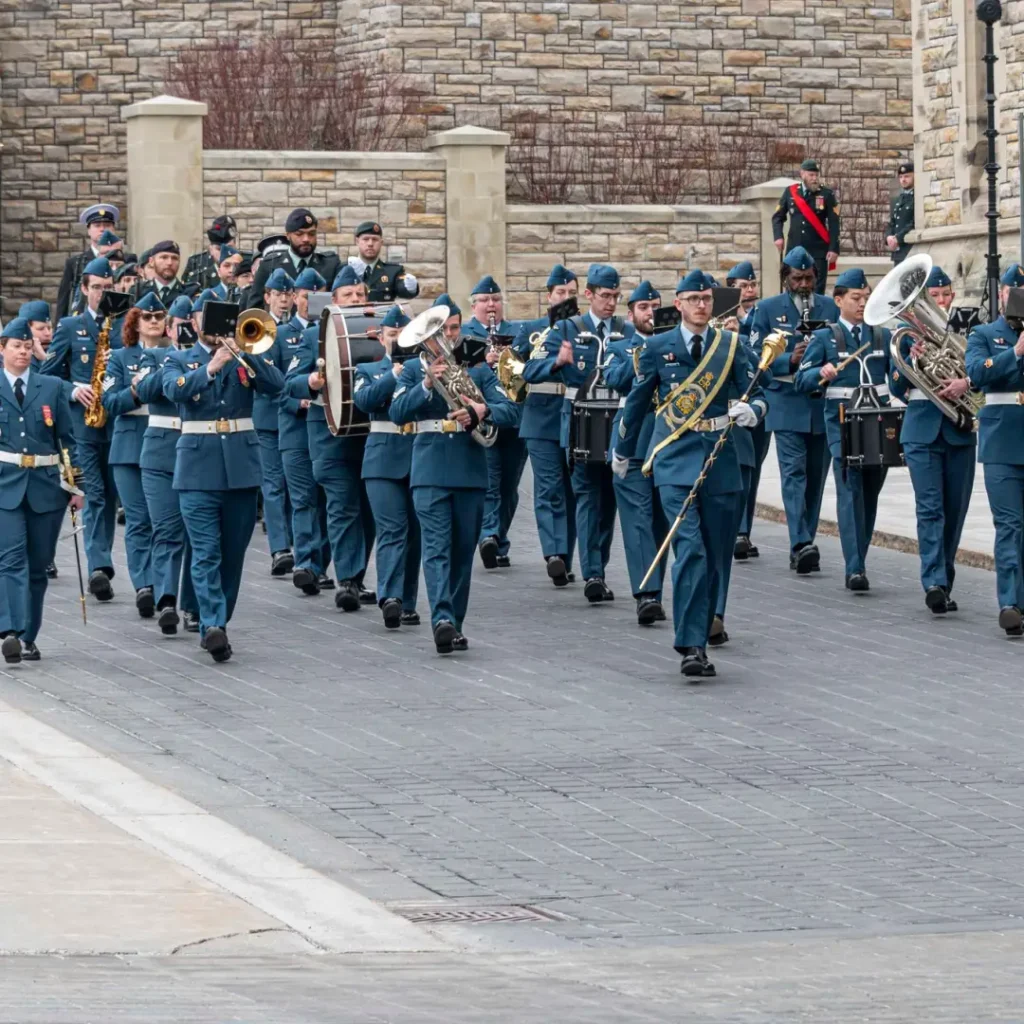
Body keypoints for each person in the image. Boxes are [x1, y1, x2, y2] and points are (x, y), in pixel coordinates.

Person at [612, 270, 767, 679]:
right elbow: (638, 402)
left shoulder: (730, 346)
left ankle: (706, 621)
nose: (701, 305)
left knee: (715, 553)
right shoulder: (656, 347)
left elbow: (758, 390)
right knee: (691, 548)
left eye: (706, 298)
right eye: (693, 298)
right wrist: (624, 451)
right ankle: (691, 645)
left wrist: (754, 411)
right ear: (677, 303)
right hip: (675, 460)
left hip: (721, 458)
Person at [160, 299, 285, 662]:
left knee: (232, 554)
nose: (214, 325)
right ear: (195, 322)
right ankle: (211, 624)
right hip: (197, 469)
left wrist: (247, 353)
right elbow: (174, 390)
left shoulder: (243, 358)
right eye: (207, 318)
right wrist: (211, 368)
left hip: (241, 469)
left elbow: (277, 385)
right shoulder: (179, 359)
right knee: (205, 551)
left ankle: (219, 619)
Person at [389, 320, 519, 654]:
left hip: (470, 471)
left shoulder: (478, 372)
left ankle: (455, 624)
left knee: (462, 551)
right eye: (439, 331)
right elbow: (397, 412)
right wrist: (427, 385)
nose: (445, 337)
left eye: (451, 329)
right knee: (436, 548)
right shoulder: (413, 372)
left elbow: (511, 410)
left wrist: (482, 409)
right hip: (429, 470)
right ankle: (441, 619)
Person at [523, 264, 632, 603]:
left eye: (615, 296)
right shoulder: (568, 328)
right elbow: (529, 368)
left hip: (615, 424)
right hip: (580, 425)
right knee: (586, 497)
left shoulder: (625, 331)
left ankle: (598, 563)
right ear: (589, 295)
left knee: (609, 501)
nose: (611, 303)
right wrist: (556, 362)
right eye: (604, 296)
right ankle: (593, 574)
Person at [795, 268, 892, 592]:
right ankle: (855, 567)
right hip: (842, 424)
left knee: (870, 493)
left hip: (876, 423)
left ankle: (859, 557)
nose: (863, 303)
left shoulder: (881, 336)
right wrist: (821, 372)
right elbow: (802, 381)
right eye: (856, 298)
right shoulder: (825, 338)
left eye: (866, 297)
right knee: (850, 491)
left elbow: (900, 379)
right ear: (839, 300)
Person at [888, 263, 975, 615]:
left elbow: (984, 391)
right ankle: (933, 581)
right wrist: (909, 362)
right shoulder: (906, 334)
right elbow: (896, 387)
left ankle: (946, 578)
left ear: (952, 296)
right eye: (931, 296)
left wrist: (966, 382)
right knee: (930, 508)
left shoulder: (972, 333)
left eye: (942, 295)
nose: (937, 301)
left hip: (959, 430)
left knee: (954, 511)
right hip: (921, 429)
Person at [750, 246, 839, 574]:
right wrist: (791, 358)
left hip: (821, 400)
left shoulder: (830, 307)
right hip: (786, 399)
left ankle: (806, 541)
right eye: (798, 278)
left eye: (809, 278)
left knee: (816, 477)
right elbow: (756, 357)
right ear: (785, 278)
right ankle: (799, 541)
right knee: (793, 473)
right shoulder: (768, 309)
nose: (804, 284)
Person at [41, 255, 123, 602]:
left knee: (112, 494)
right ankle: (98, 567)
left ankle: (101, 559)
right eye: (97, 288)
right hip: (83, 427)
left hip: (117, 424)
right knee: (95, 496)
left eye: (108, 288)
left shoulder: (123, 325)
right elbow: (47, 376)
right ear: (86, 290)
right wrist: (74, 389)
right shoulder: (70, 327)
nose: (103, 294)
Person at [0, 320, 83, 664]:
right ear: (1, 349)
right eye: (15, 346)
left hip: (46, 485)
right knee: (11, 559)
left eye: (26, 346)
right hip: (4, 484)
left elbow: (67, 439)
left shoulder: (50, 387)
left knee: (37, 565)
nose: (21, 351)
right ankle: (10, 631)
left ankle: (29, 635)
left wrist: (78, 486)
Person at [285, 301, 376, 612]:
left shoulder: (376, 326)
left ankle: (357, 575)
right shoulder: (315, 336)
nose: (354, 297)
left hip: (369, 433)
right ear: (334, 299)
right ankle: (347, 580)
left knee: (368, 509)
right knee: (342, 504)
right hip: (329, 433)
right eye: (347, 293)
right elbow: (290, 383)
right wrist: (310, 382)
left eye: (359, 292)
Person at [101, 293, 171, 618]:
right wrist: (137, 390)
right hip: (130, 445)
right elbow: (110, 402)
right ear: (136, 323)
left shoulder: (176, 355)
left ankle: (164, 585)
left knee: (165, 521)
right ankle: (144, 584)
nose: (154, 321)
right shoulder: (120, 356)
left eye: (159, 316)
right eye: (147, 317)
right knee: (138, 519)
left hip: (167, 443)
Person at [965, 262, 1024, 637]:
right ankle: (1010, 603)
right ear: (1001, 294)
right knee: (1010, 525)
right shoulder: (984, 333)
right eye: (1011, 291)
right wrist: (1014, 353)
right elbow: (975, 374)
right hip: (1002, 439)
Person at [510, 265, 579, 586]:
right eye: (560, 293)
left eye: (571, 293)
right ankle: (553, 552)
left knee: (573, 489)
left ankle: (564, 556)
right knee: (549, 487)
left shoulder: (584, 328)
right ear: (549, 296)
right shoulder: (533, 329)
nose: (566, 298)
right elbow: (517, 370)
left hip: (575, 415)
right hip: (540, 417)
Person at [353, 305, 422, 629]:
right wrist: (394, 374)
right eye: (393, 336)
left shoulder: (424, 370)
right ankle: (390, 597)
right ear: (381, 338)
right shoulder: (369, 370)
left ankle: (407, 601)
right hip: (381, 460)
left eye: (403, 337)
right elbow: (364, 401)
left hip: (419, 456)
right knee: (393, 529)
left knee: (415, 533)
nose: (398, 343)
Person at [603, 281, 667, 626]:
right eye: (644, 307)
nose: (651, 313)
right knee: (637, 519)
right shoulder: (621, 347)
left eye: (655, 306)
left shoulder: (675, 346)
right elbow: (615, 379)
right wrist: (644, 357)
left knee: (661, 520)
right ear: (631, 315)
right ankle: (647, 594)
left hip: (668, 440)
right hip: (633, 440)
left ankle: (652, 585)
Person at [134, 303, 199, 635]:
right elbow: (143, 391)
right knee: (167, 528)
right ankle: (167, 600)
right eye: (180, 325)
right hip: (161, 451)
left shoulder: (210, 357)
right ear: (169, 328)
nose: (185, 330)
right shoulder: (154, 357)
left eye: (192, 323)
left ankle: (192, 604)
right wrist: (173, 361)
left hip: (198, 451)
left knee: (197, 535)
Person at [461, 275, 528, 569]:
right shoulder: (465, 333)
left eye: (496, 300)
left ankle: (499, 538)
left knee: (509, 485)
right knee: (490, 480)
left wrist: (510, 359)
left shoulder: (518, 331)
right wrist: (485, 362)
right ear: (474, 305)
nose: (491, 305)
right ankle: (488, 535)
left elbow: (529, 369)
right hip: (483, 416)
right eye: (485, 300)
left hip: (513, 416)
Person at [273, 268, 332, 596]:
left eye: (318, 295)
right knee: (303, 499)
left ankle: (320, 563)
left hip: (326, 430)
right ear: (295, 297)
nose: (311, 302)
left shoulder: (333, 333)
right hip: (296, 430)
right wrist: (302, 402)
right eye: (306, 295)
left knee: (325, 499)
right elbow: (278, 388)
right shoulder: (282, 335)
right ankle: (306, 563)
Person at [254, 268, 296, 577]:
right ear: (267, 297)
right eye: (277, 295)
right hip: (268, 417)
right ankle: (280, 548)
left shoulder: (297, 329)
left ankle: (295, 543)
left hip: (293, 416)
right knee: (273, 484)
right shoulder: (258, 327)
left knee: (295, 484)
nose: (283, 300)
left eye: (287, 294)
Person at [724, 261, 767, 558]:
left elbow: (763, 358)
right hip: (731, 406)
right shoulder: (720, 317)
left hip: (757, 399)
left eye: (752, 285)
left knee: (752, 467)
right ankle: (736, 530)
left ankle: (745, 531)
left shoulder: (761, 316)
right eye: (742, 287)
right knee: (736, 465)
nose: (749, 290)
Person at [772, 159, 841, 293]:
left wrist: (834, 249)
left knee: (817, 288)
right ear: (802, 174)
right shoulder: (790, 192)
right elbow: (777, 217)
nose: (814, 179)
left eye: (816, 175)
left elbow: (834, 224)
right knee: (792, 286)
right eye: (811, 175)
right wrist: (778, 237)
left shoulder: (826, 194)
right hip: (795, 249)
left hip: (818, 250)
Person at [251, 209, 340, 308]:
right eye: (299, 234)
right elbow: (254, 309)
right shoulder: (269, 266)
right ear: (288, 236)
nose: (306, 239)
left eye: (311, 234)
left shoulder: (330, 265)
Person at [56, 203, 119, 322]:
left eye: (107, 225)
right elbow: (64, 300)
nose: (102, 229)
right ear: (89, 230)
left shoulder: (126, 260)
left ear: (113, 229)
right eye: (97, 225)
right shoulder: (75, 263)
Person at [347, 221, 419, 303]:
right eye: (366, 239)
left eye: (375, 239)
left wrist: (411, 288)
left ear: (381, 243)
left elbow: (403, 290)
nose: (370, 243)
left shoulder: (392, 272)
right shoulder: (344, 269)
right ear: (357, 241)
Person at [133, 240, 198, 308]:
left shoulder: (190, 292)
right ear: (151, 261)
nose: (169, 263)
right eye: (164, 257)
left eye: (174, 258)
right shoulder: (138, 291)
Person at [183, 215, 237, 291]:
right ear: (211, 250)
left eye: (229, 247)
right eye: (219, 249)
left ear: (235, 246)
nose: (224, 254)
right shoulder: (196, 264)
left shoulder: (245, 264)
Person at [886, 162, 915, 266]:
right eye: (901, 177)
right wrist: (888, 236)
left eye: (907, 176)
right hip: (898, 252)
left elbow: (914, 223)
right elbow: (892, 221)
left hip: (910, 250)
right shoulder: (900, 198)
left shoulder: (916, 197)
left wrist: (898, 238)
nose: (903, 179)